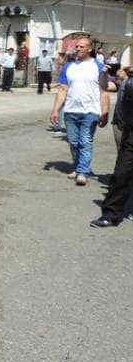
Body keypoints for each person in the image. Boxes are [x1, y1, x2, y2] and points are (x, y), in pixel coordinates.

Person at [49, 37, 109, 186]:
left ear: (89, 49)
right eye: (76, 46)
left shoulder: (99, 66)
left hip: (91, 111)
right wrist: (55, 110)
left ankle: (83, 171)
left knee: (85, 142)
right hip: (70, 111)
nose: (78, 48)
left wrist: (105, 112)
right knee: (74, 142)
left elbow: (104, 90)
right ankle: (78, 167)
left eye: (81, 46)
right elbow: (62, 90)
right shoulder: (68, 67)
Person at [91, 66, 133, 227]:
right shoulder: (127, 78)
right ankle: (110, 214)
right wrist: (105, 72)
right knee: (121, 173)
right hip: (130, 133)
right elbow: (106, 86)